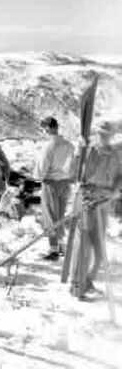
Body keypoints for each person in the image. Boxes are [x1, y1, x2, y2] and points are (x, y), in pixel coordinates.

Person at [69, 121, 122, 298]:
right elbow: (73, 172)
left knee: (99, 252)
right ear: (97, 134)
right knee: (82, 247)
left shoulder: (116, 155)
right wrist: (78, 151)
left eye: (107, 134)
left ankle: (88, 280)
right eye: (101, 134)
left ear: (112, 136)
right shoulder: (88, 150)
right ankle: (77, 286)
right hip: (87, 201)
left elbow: (120, 177)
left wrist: (116, 190)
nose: (104, 137)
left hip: (104, 203)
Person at [34, 116, 75, 260]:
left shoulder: (48, 146)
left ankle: (53, 249)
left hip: (50, 183)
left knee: (50, 215)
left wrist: (38, 177)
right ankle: (61, 245)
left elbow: (41, 169)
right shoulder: (69, 145)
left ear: (47, 128)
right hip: (65, 182)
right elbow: (72, 165)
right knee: (60, 215)